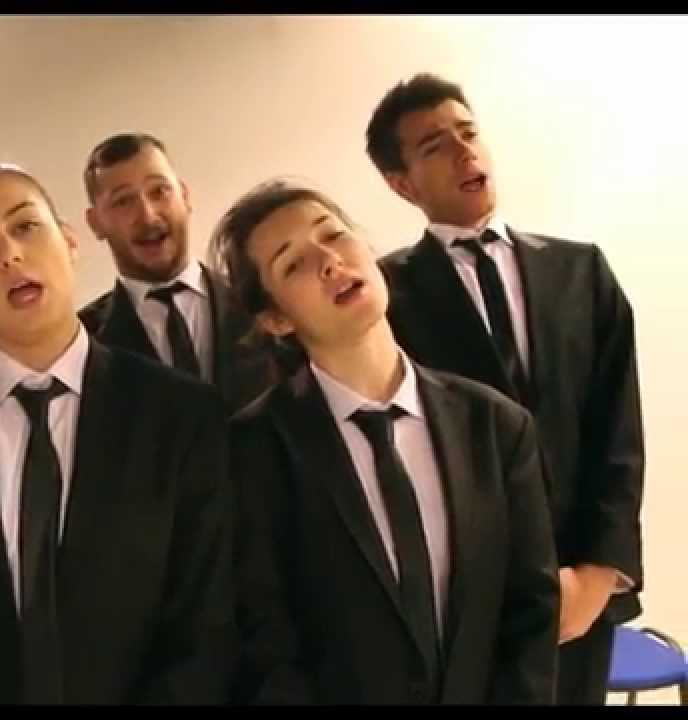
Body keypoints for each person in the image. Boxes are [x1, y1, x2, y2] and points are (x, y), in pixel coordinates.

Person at [0, 162, 234, 704]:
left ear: (70, 241)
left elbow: (205, 629)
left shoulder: (180, 413)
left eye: (25, 226)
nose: (9, 255)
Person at [214, 179, 560, 704]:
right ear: (275, 319)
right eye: (294, 263)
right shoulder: (252, 451)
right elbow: (266, 645)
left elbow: (530, 616)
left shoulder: (495, 425)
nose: (329, 261)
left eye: (334, 235)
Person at [366, 72, 645, 704]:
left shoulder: (580, 270)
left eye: (468, 132)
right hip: (462, 604)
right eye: (435, 145)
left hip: (581, 591)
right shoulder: (384, 297)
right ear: (401, 183)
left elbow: (619, 430)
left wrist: (600, 573)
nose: (464, 151)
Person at [78, 132, 277, 412]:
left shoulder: (264, 302)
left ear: (184, 196)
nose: (148, 215)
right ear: (95, 223)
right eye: (123, 201)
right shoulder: (80, 341)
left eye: (159, 191)